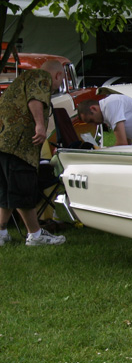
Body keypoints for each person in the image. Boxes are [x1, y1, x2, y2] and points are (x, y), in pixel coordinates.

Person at [0, 60, 66, 246]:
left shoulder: (22, 78)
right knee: (22, 189)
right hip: (19, 145)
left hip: (3, 142)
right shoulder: (40, 77)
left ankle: (1, 232)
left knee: (6, 190)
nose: (57, 86)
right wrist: (39, 124)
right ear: (58, 75)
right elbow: (35, 98)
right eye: (59, 82)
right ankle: (35, 234)